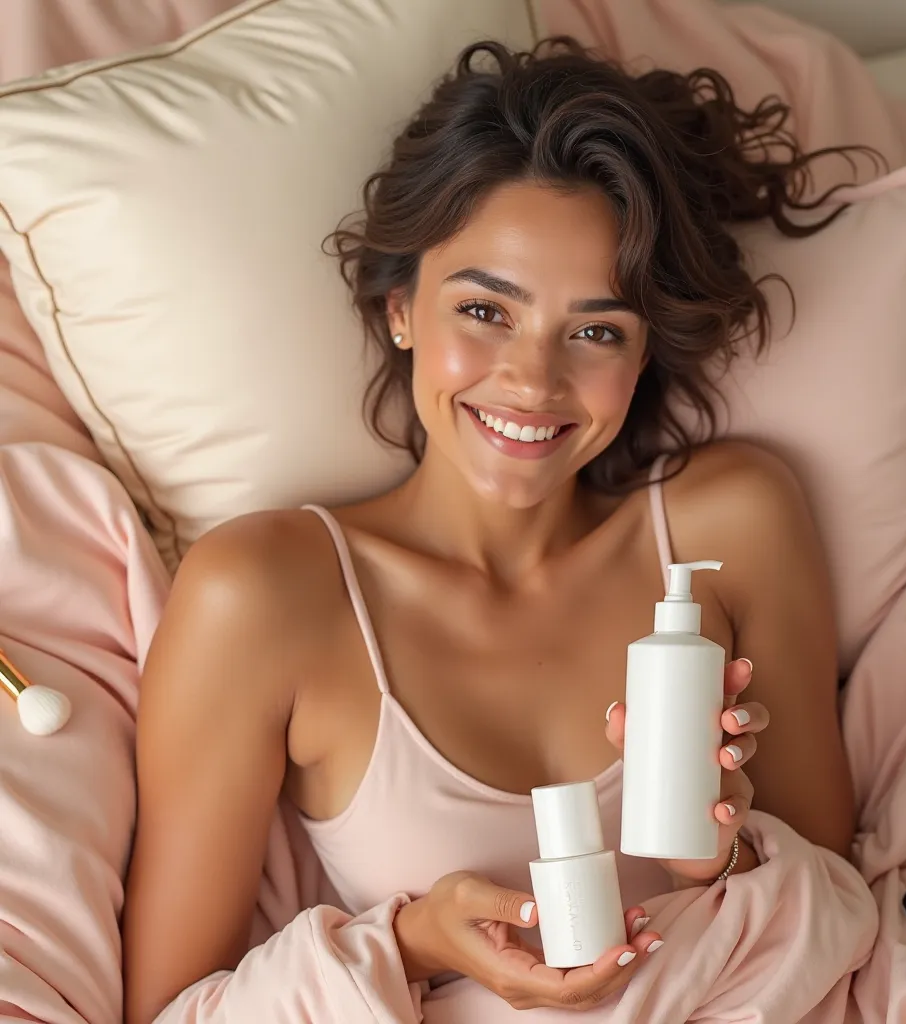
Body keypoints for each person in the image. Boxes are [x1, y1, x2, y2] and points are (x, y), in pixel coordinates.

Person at [122, 37, 860, 1024]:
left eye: (595, 329)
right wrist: (413, 941)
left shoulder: (730, 525)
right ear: (399, 309)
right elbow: (167, 1011)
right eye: (485, 309)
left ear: (644, 352)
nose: (533, 381)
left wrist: (717, 852)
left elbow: (840, 905)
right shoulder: (263, 595)